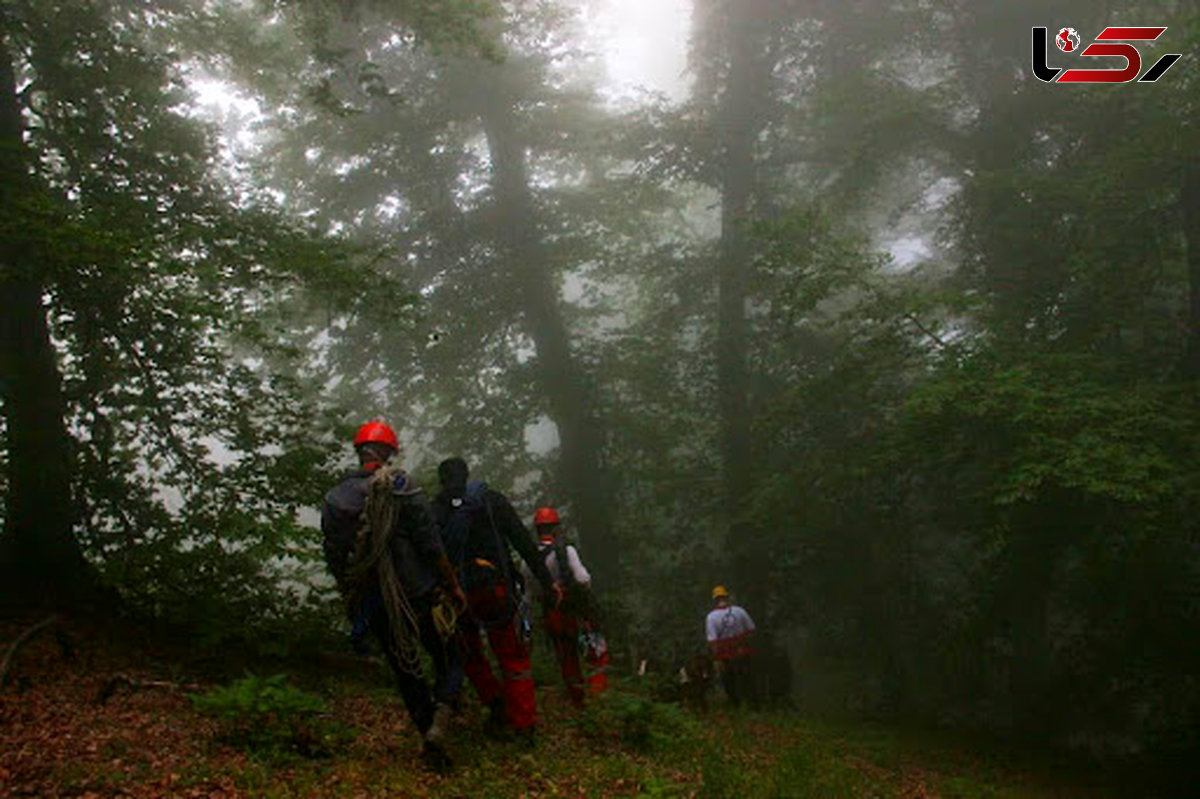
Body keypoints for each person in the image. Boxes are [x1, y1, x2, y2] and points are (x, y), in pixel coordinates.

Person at [321, 421, 466, 768]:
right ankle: (441, 721)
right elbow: (430, 543)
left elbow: (335, 554)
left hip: (377, 601)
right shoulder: (401, 486)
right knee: (452, 654)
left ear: (360, 451)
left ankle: (429, 735)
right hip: (419, 593)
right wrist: (452, 585)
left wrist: (350, 597)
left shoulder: (335, 498)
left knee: (406, 669)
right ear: (388, 453)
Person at [432, 457, 563, 740]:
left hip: (458, 594)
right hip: (495, 589)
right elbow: (522, 542)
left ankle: (496, 705)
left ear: (442, 479)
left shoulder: (438, 508)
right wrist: (548, 581)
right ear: (467, 476)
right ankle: (524, 725)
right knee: (512, 656)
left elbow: (431, 553)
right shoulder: (490, 501)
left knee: (469, 654)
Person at [524, 506, 609, 706]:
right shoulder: (566, 550)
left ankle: (576, 696)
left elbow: (529, 592)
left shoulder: (529, 560)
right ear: (556, 528)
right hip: (575, 611)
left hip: (551, 612)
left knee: (566, 655)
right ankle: (599, 696)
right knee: (596, 650)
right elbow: (583, 579)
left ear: (537, 529)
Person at [705, 585, 756, 707]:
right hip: (742, 651)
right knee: (746, 678)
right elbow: (752, 630)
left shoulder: (711, 617)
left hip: (725, 655)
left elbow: (712, 641)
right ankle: (750, 704)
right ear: (727, 597)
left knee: (729, 681)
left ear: (714, 600)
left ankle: (735, 705)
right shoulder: (740, 611)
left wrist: (717, 659)